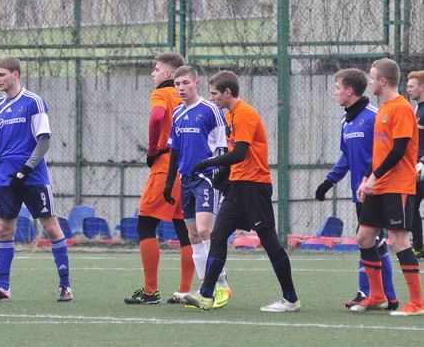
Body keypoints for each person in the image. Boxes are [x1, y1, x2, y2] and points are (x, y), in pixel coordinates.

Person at [183, 70, 300, 312]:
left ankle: (290, 299)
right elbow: (232, 154)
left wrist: (206, 163)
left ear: (228, 92)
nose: (212, 98)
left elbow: (239, 153)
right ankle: (206, 294)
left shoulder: (245, 114)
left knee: (270, 242)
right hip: (236, 188)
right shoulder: (230, 115)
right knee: (217, 236)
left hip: (255, 187)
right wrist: (221, 178)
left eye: (215, 93)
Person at [0, 56, 72, 302]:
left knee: (50, 227)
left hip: (33, 178)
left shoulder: (34, 102)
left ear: (16, 74)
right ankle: (3, 288)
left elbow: (44, 140)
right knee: (4, 230)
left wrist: (26, 169)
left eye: (1, 74)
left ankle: (65, 286)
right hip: (4, 178)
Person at [314, 68, 398, 310]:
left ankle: (378, 294)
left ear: (349, 91)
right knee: (371, 241)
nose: (335, 92)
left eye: (337, 88)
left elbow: (387, 153)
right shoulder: (346, 120)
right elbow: (346, 157)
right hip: (359, 192)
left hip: (378, 190)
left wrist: (372, 179)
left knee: (371, 241)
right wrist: (328, 182)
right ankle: (381, 296)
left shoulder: (374, 116)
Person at [350, 58, 423, 316]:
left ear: (383, 81)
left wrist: (374, 177)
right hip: (379, 185)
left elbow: (399, 150)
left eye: (372, 77)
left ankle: (417, 303)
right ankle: (378, 296)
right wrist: (366, 178)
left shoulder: (401, 108)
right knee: (364, 237)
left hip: (397, 185)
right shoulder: (383, 108)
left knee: (400, 240)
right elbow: (380, 152)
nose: (369, 82)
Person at [124, 53, 195, 305]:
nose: (152, 74)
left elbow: (156, 117)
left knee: (145, 225)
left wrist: (153, 148)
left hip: (165, 167)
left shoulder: (162, 93)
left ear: (168, 74)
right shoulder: (188, 98)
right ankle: (184, 291)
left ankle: (150, 291)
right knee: (185, 230)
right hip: (186, 169)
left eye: (156, 69)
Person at [163, 65, 232, 309]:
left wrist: (221, 177)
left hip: (206, 178)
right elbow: (175, 150)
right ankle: (205, 288)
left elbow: (223, 147)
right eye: (177, 84)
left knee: (205, 231)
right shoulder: (177, 113)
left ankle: (221, 285)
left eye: (185, 83)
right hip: (186, 180)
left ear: (196, 83)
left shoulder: (211, 110)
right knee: (193, 235)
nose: (181, 88)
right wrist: (169, 182)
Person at [406, 70, 424, 258]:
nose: (408, 89)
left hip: (421, 166)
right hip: (417, 168)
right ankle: (419, 247)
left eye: (412, 86)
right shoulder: (417, 109)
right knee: (411, 205)